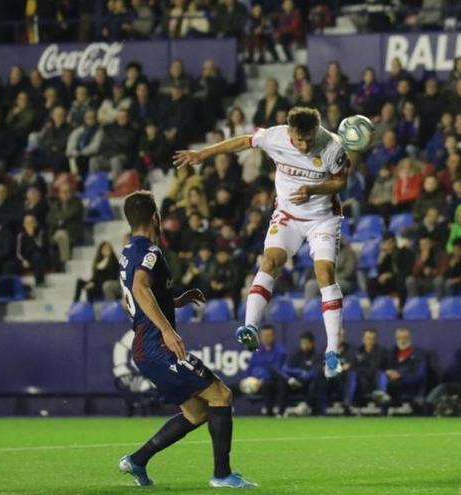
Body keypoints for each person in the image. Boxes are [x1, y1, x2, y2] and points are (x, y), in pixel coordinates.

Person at [174, 107, 362, 379]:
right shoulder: (275, 137)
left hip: (322, 218)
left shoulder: (332, 146)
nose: (305, 145)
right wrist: (202, 154)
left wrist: (313, 189)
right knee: (270, 261)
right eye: (300, 140)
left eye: (310, 139)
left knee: (324, 275)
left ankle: (332, 351)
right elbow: (242, 141)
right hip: (286, 214)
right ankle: (250, 327)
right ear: (289, 132)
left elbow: (340, 182)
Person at [117, 191, 256, 488]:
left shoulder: (128, 252)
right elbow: (140, 289)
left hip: (145, 346)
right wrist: (166, 329)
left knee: (196, 412)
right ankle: (222, 476)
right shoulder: (150, 252)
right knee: (221, 395)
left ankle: (137, 460)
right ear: (155, 216)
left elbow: (128, 298)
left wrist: (175, 300)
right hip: (156, 346)